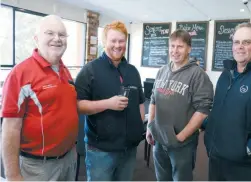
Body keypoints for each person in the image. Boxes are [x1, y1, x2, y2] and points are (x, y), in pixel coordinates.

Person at [1, 15, 78, 181]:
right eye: (50, 33)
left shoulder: (64, 70)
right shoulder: (20, 74)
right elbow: (10, 129)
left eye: (62, 35)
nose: (57, 39)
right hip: (38, 168)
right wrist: (13, 175)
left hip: (69, 159)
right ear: (36, 39)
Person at [75, 21, 145, 181]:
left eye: (121, 41)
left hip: (129, 149)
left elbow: (140, 102)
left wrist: (138, 128)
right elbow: (78, 105)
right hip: (100, 151)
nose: (117, 45)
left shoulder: (132, 71)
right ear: (104, 42)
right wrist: (108, 103)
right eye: (113, 41)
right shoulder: (90, 70)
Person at [204, 22, 251, 181]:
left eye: (247, 42)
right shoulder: (226, 74)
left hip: (245, 166)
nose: (240, 46)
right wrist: (207, 126)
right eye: (237, 42)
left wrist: (249, 148)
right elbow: (221, 110)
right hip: (216, 158)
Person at [146, 29, 214, 181]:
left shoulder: (198, 75)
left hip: (182, 145)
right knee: (162, 178)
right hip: (159, 140)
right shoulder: (162, 71)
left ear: (189, 49)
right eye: (172, 46)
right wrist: (150, 126)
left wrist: (180, 137)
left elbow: (203, 110)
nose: (174, 51)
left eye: (180, 47)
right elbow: (153, 100)